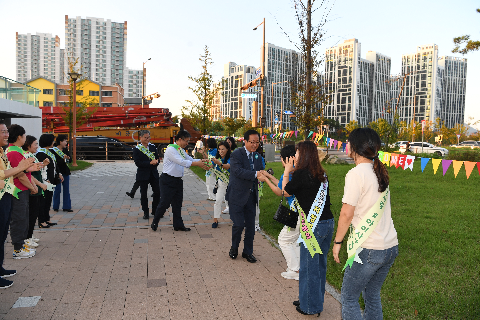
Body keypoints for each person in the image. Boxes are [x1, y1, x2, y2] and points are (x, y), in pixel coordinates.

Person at [332, 128, 398, 320]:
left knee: (349, 297)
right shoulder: (378, 171)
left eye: (348, 141)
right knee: (372, 294)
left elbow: (346, 213)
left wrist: (337, 243)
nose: (345, 144)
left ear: (354, 148)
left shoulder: (356, 173)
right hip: (390, 247)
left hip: (369, 249)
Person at [282, 140, 334, 316]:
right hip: (327, 224)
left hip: (314, 226)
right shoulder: (321, 174)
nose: (294, 156)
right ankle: (310, 298)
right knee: (319, 266)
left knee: (308, 266)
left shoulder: (301, 174)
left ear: (303, 154)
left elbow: (285, 191)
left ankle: (310, 306)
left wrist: (287, 171)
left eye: (296, 152)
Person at [0, 120, 36, 289]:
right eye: (2, 132)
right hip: (10, 193)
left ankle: (0, 268)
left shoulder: (3, 151)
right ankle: (18, 248)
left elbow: (18, 172)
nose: (6, 135)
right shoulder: (13, 152)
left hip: (7, 194)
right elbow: (12, 174)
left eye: (6, 131)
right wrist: (22, 170)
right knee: (17, 221)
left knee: (4, 232)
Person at [151, 130, 209, 232]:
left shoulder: (180, 150)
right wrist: (198, 164)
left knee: (177, 204)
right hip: (167, 180)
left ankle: (178, 225)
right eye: (186, 141)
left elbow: (189, 159)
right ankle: (155, 222)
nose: (187, 143)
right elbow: (182, 162)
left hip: (177, 180)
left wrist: (201, 161)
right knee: (165, 203)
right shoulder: (171, 149)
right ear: (179, 139)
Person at [258, 145, 299, 280]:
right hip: (303, 213)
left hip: (297, 213)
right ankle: (298, 268)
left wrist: (266, 180)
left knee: (284, 239)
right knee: (294, 240)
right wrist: (269, 176)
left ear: (284, 159)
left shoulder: (289, 173)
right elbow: (282, 185)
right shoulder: (297, 171)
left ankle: (294, 270)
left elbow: (281, 192)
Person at [226, 129, 265, 263]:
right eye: (252, 142)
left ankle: (248, 252)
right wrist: (256, 174)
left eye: (257, 142)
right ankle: (234, 248)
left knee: (250, 226)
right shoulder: (237, 154)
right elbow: (237, 171)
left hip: (251, 196)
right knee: (238, 224)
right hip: (236, 195)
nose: (255, 145)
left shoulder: (258, 157)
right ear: (245, 141)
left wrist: (264, 175)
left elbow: (261, 172)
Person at [6, 125, 40, 260]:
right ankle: (18, 249)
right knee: (19, 219)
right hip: (18, 191)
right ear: (19, 136)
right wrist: (32, 187)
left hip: (22, 189)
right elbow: (20, 174)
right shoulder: (13, 152)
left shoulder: (17, 151)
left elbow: (25, 172)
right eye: (24, 135)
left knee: (23, 218)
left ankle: (21, 245)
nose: (25, 138)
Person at [22, 135, 48, 247]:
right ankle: (27, 238)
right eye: (35, 144)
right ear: (28, 145)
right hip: (32, 190)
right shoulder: (27, 156)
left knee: (33, 214)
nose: (37, 146)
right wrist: (40, 184)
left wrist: (44, 165)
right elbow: (29, 175)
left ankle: (30, 235)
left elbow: (35, 168)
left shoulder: (32, 155)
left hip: (35, 189)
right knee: (31, 214)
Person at [132, 130, 161, 220]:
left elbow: (157, 158)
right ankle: (146, 212)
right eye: (145, 137)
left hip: (153, 174)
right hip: (143, 174)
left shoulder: (153, 147)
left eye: (148, 137)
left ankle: (155, 210)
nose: (148, 139)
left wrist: (156, 162)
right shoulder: (137, 148)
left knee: (157, 192)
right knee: (143, 194)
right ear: (140, 138)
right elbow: (138, 163)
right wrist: (149, 163)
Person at [36, 134, 62, 228]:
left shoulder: (49, 152)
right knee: (43, 201)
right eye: (52, 140)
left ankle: (47, 219)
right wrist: (45, 180)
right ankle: (41, 221)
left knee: (48, 201)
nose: (53, 142)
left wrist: (59, 174)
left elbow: (54, 165)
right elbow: (39, 168)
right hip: (45, 182)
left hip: (50, 181)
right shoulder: (40, 154)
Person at [210, 141, 231, 228]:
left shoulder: (231, 158)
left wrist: (219, 163)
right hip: (221, 183)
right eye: (219, 149)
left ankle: (238, 219)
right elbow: (210, 166)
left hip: (231, 184)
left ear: (227, 150)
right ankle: (215, 220)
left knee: (233, 202)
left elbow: (227, 166)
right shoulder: (216, 158)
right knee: (218, 201)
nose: (221, 151)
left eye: (223, 149)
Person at [52, 134, 72, 212]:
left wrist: (67, 159)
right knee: (57, 190)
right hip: (57, 173)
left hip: (65, 172)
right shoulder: (53, 151)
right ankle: (56, 206)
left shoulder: (65, 150)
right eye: (65, 141)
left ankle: (67, 206)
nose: (66, 143)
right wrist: (63, 160)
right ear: (60, 142)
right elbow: (54, 162)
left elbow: (69, 160)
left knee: (66, 189)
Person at [254, 143, 266, 232]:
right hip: (245, 185)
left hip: (256, 184)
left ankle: (256, 224)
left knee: (255, 205)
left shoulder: (259, 157)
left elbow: (262, 170)